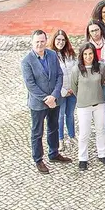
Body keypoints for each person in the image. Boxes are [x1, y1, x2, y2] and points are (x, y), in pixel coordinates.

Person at [21, 30, 72, 174]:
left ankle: (54, 153)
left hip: (54, 100)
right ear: (32, 42)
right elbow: (30, 85)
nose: (40, 44)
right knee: (37, 132)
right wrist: (46, 98)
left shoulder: (52, 55)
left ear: (46, 41)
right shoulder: (26, 61)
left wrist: (54, 96)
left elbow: (59, 76)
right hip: (38, 104)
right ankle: (38, 159)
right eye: (37, 41)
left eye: (42, 41)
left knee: (53, 127)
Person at [70, 43, 105, 170]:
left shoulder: (101, 67)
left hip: (99, 103)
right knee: (84, 133)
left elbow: (102, 80)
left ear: (94, 54)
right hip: (83, 105)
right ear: (81, 55)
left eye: (91, 53)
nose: (88, 56)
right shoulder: (76, 69)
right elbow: (74, 87)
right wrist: (83, 97)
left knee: (101, 130)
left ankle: (102, 153)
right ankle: (82, 158)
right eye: (85, 54)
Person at [84, 19, 105, 135]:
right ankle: (102, 125)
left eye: (97, 30)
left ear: (101, 30)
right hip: (92, 81)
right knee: (96, 105)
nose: (95, 33)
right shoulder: (86, 46)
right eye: (92, 31)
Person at [49, 29, 77, 151]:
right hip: (60, 92)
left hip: (72, 90)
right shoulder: (50, 56)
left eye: (63, 40)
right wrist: (64, 90)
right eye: (58, 39)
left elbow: (76, 70)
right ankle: (60, 139)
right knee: (60, 116)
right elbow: (52, 77)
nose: (60, 42)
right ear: (54, 40)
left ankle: (72, 136)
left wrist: (73, 88)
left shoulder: (70, 54)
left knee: (70, 115)